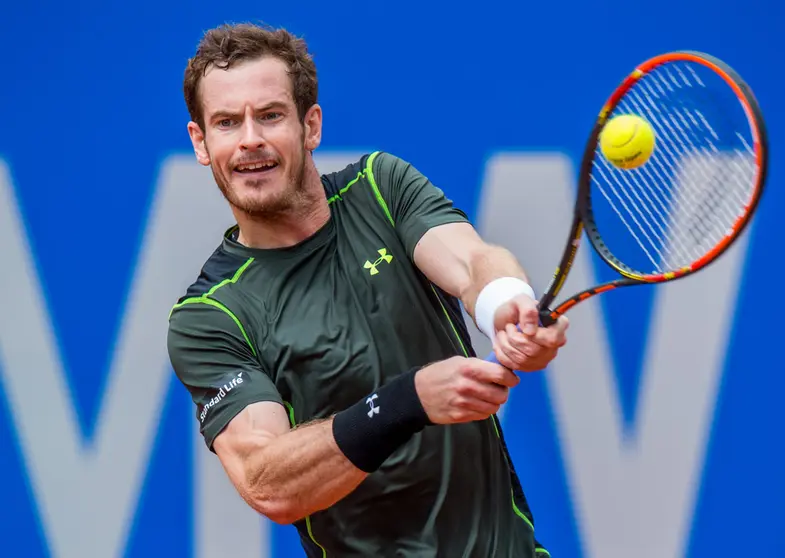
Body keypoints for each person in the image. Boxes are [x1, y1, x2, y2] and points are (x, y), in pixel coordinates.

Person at [167, 22, 569, 558]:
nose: (250, 140)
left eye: (270, 115)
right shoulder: (210, 316)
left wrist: (505, 303)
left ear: (311, 126)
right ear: (201, 141)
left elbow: (473, 261)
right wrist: (410, 400)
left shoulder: (380, 189)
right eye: (226, 122)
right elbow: (267, 483)